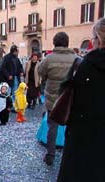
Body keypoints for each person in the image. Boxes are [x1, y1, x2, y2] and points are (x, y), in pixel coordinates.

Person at [49, 17, 105, 182]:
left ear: (98, 38)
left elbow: (73, 99)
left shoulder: (86, 65)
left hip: (84, 136)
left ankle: (50, 153)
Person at [38, 32, 76, 166]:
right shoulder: (76, 58)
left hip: (52, 100)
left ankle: (50, 155)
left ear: (54, 43)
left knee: (52, 128)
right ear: (67, 43)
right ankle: (70, 157)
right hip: (70, 100)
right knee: (70, 129)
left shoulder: (49, 58)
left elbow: (40, 72)